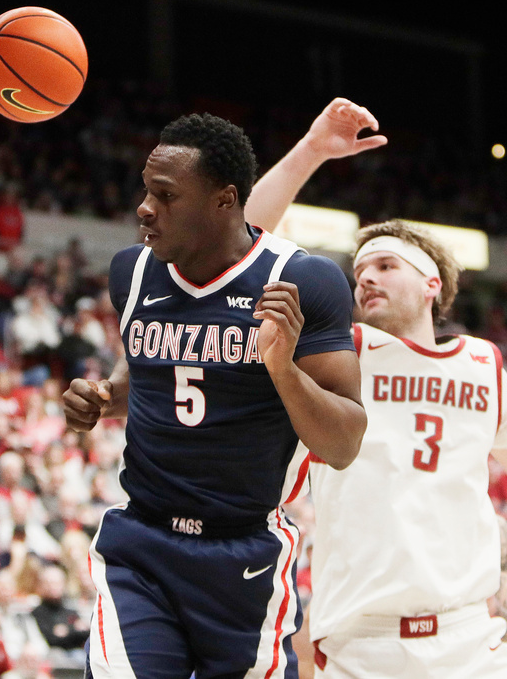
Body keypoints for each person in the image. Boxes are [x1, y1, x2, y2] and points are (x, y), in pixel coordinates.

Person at [61, 110, 368, 678]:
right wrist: (105, 395)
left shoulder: (305, 280)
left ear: (225, 200)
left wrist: (282, 367)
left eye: (165, 195)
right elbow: (155, 371)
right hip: (142, 546)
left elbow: (345, 442)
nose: (144, 208)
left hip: (245, 554)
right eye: (146, 191)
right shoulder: (132, 272)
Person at [245, 100, 507, 676]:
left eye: (386, 265)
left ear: (432, 282)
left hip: (471, 640)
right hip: (362, 646)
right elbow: (242, 246)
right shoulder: (340, 353)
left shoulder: (484, 363)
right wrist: (312, 149)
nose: (366, 277)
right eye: (360, 270)